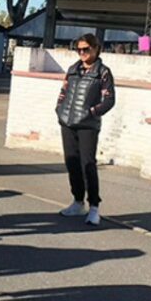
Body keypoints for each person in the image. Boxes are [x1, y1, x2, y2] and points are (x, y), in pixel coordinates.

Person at [56, 33, 116, 226]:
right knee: (71, 162)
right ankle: (77, 201)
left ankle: (94, 207)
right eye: (79, 49)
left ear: (95, 48)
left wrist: (92, 112)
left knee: (88, 164)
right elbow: (63, 91)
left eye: (86, 49)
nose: (82, 53)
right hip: (67, 122)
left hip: (88, 126)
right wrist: (59, 109)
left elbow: (109, 100)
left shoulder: (103, 72)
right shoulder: (73, 70)